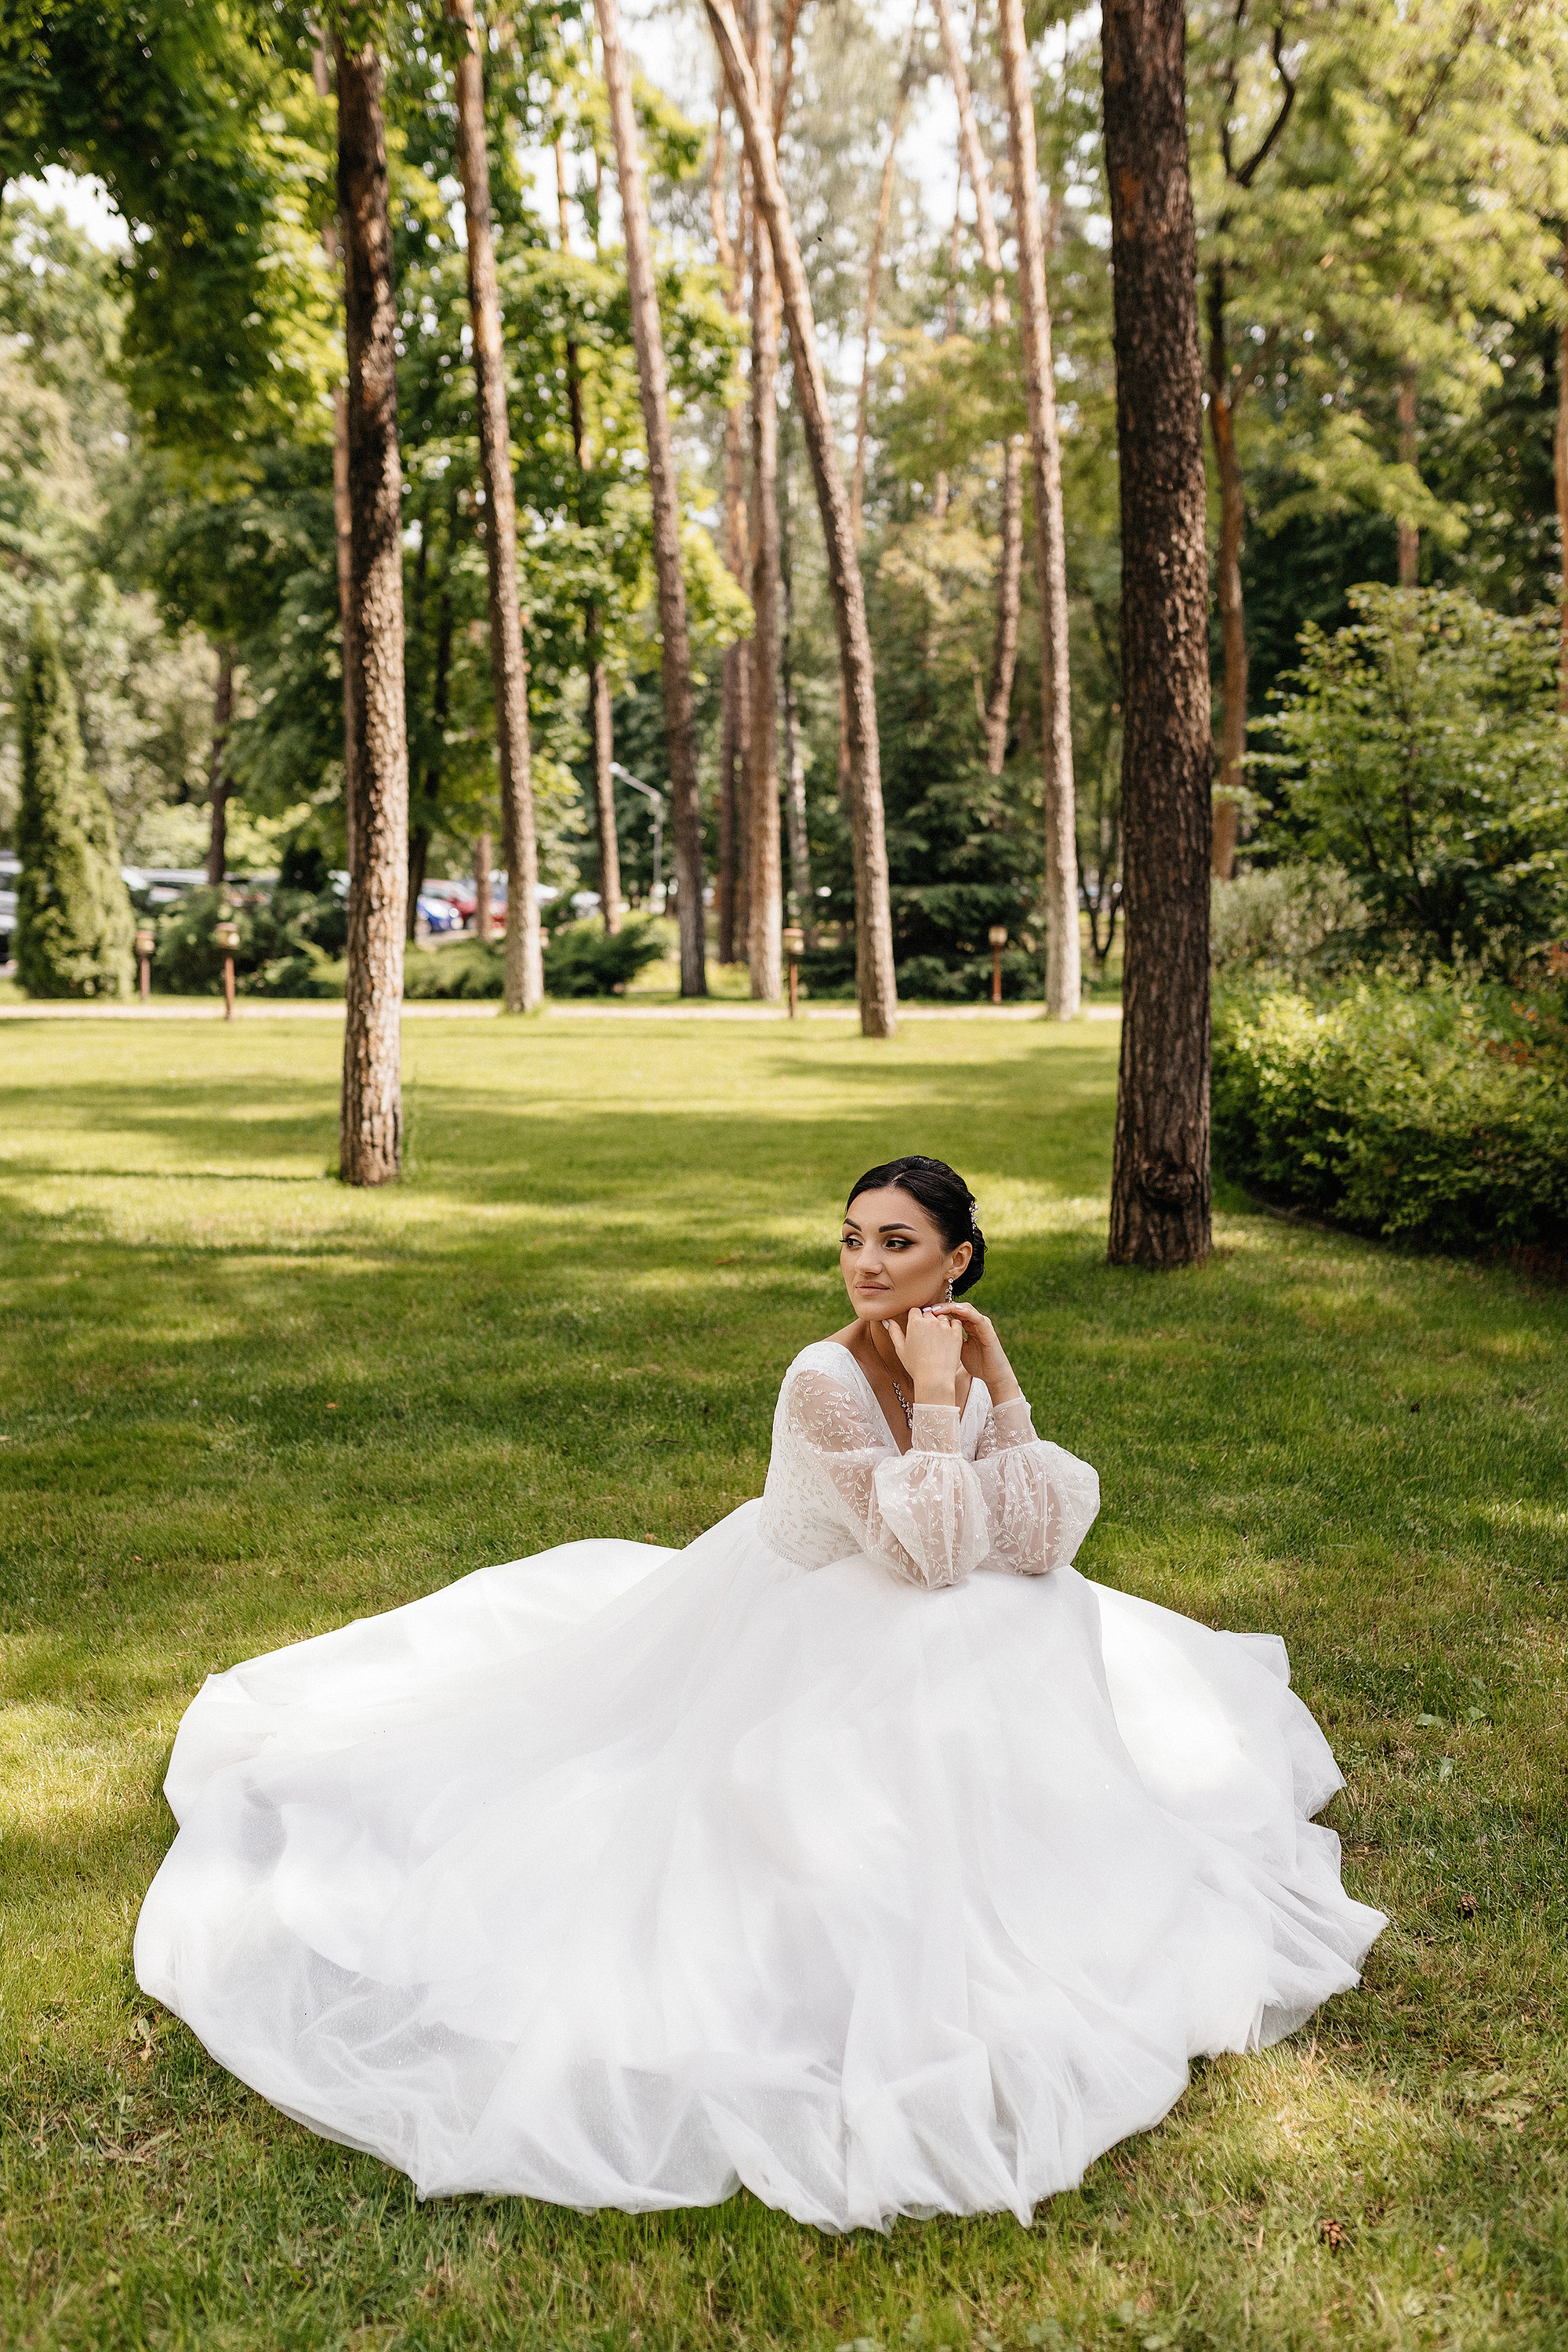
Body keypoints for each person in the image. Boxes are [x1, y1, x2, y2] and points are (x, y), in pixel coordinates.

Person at [136, 1155, 1383, 2231]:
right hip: (801, 1612)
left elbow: (1042, 1529)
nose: (867, 1264)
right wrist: (945, 1405)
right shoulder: (822, 1377)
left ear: (958, 1261)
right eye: (853, 1240)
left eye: (897, 1243)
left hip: (904, 1591)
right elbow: (933, 1552)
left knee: (1040, 1613)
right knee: (953, 1642)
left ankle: (1051, 1880)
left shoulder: (957, 1344)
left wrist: (999, 1383)